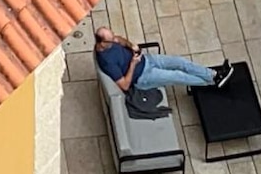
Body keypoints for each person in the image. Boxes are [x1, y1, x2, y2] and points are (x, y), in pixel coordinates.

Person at [93, 32, 225, 117]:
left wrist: (131, 45)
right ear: (102, 43)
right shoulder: (107, 62)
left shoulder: (110, 42)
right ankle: (213, 81)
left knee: (180, 61)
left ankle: (212, 74)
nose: (114, 39)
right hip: (142, 77)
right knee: (178, 76)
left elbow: (119, 39)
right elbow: (125, 86)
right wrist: (133, 64)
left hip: (147, 60)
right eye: (111, 40)